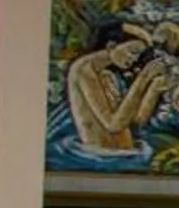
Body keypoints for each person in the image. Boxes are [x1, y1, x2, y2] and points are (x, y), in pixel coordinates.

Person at [63, 22, 166, 153]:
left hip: (123, 154)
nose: (134, 60)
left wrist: (154, 88)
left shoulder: (107, 75)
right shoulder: (84, 71)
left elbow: (135, 122)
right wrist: (143, 78)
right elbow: (113, 125)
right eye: (132, 52)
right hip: (101, 158)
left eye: (138, 56)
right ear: (111, 45)